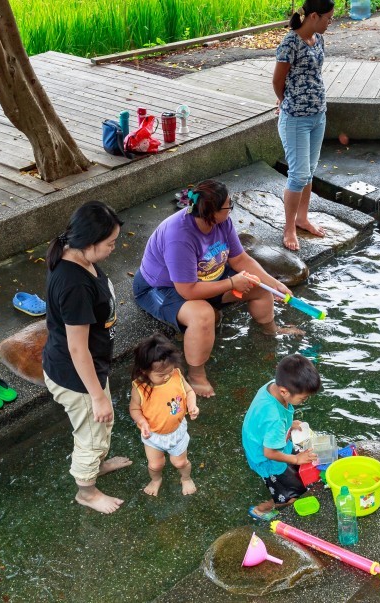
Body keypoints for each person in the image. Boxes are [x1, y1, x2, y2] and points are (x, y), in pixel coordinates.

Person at [133, 180, 301, 399]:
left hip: (210, 276)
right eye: (228, 206)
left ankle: (271, 329)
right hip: (162, 288)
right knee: (204, 316)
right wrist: (232, 284)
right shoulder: (179, 236)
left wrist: (273, 283)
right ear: (211, 211)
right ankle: (196, 374)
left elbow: (240, 258)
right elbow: (187, 291)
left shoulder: (222, 222)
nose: (231, 209)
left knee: (259, 287)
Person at [42, 201, 132, 514]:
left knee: (100, 427)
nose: (113, 248)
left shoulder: (78, 256)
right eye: (110, 244)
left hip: (88, 368)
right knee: (92, 435)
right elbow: (76, 347)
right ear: (89, 244)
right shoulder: (74, 284)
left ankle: (97, 463)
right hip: (76, 376)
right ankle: (87, 491)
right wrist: (97, 396)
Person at [272, 0, 335, 251]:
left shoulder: (318, 39)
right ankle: (288, 229)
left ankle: (302, 219)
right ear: (313, 15)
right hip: (295, 118)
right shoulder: (290, 42)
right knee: (297, 175)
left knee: (308, 173)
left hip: (318, 114)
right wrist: (285, 100)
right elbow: (278, 81)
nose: (330, 22)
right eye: (328, 18)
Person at [242, 354, 322, 521]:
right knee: (289, 496)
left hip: (264, 440)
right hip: (267, 458)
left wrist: (289, 424)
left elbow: (269, 419)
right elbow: (270, 453)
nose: (304, 400)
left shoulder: (273, 385)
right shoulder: (275, 420)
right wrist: (296, 459)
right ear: (284, 391)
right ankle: (264, 509)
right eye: (303, 398)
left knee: (298, 475)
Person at [128, 334, 200, 496]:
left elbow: (189, 392)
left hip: (177, 431)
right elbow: (134, 409)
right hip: (153, 435)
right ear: (144, 371)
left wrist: (192, 404)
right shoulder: (140, 388)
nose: (167, 376)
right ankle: (156, 480)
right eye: (161, 375)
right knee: (155, 465)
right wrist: (142, 422)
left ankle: (186, 478)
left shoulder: (176, 375)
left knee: (180, 462)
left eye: (169, 371)